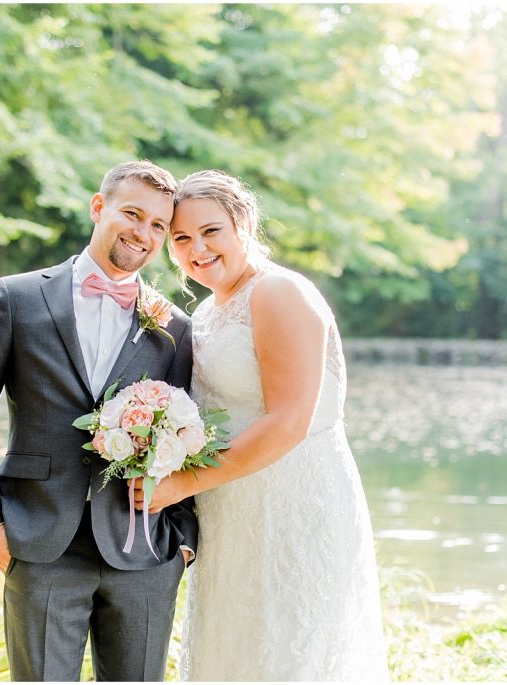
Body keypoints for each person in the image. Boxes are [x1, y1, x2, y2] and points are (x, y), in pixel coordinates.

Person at [0, 160, 197, 682]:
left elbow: (191, 432)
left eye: (158, 226)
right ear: (98, 207)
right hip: (38, 540)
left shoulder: (174, 325)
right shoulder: (16, 298)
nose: (143, 233)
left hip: (143, 547)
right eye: (132, 213)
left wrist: (184, 537)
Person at [135, 169, 389, 680]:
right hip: (233, 509)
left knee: (290, 648)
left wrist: (183, 483)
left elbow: (288, 421)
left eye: (211, 231)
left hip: (293, 499)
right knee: (235, 647)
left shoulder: (279, 293)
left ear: (244, 224)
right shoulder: (205, 311)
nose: (196, 249)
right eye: (181, 239)